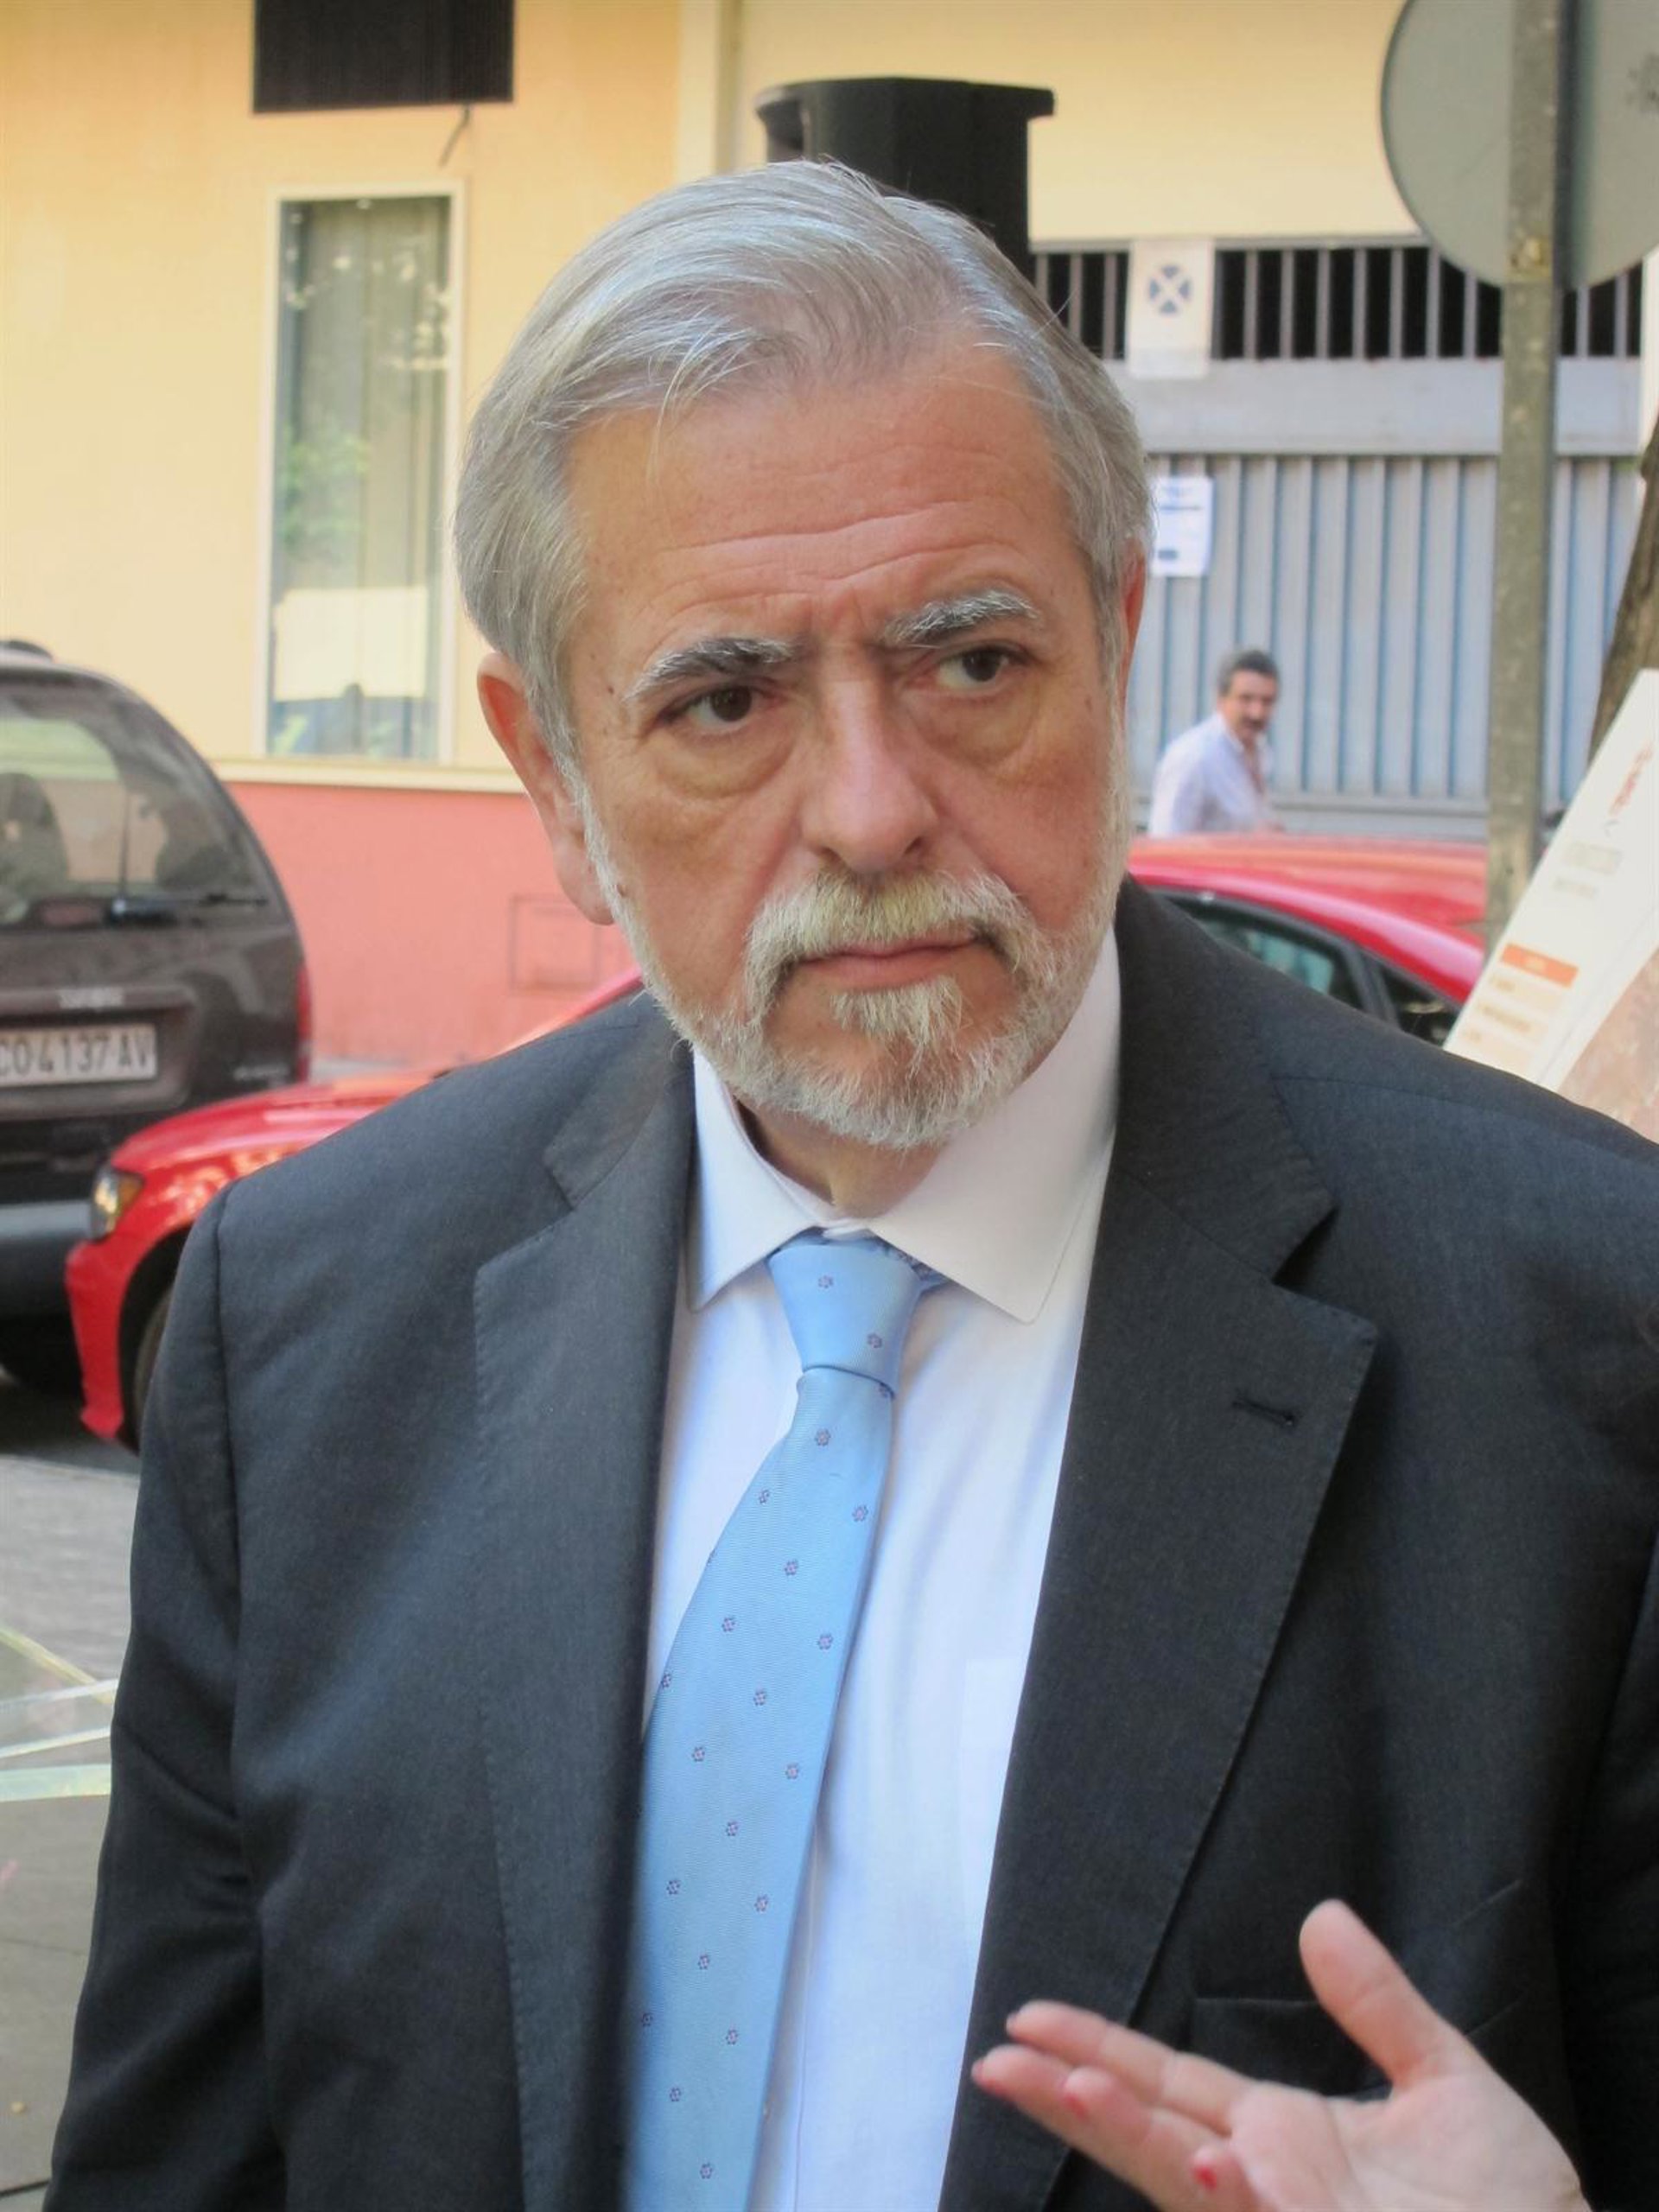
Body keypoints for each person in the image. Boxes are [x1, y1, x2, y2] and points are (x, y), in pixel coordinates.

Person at [48, 164, 1656, 2212]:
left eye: (971, 662)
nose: (877, 809)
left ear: (1117, 640)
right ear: (553, 775)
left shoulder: (1587, 1338)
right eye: (725, 701)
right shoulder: (305, 1325)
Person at [1147, 651, 1281, 835]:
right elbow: (1166, 839)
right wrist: (1247, 842)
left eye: (1267, 702)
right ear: (1221, 699)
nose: (1257, 713)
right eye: (1246, 699)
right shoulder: (1194, 757)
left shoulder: (1259, 751)